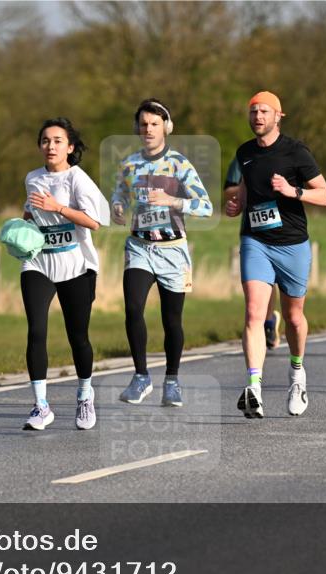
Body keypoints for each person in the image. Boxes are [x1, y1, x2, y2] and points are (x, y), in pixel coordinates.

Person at [225, 91, 326, 418]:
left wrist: (292, 191)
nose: (257, 116)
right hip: (255, 241)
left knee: (294, 318)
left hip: (292, 244)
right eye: (253, 111)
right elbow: (245, 191)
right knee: (254, 313)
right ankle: (254, 386)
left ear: (278, 116)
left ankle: (297, 374)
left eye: (264, 111)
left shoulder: (297, 152)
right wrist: (237, 204)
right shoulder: (244, 153)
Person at [112, 99, 212, 407]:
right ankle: (141, 377)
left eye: (154, 124)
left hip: (173, 252)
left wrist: (173, 201)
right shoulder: (129, 164)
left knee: (172, 321)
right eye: (143, 124)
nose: (148, 129)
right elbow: (120, 191)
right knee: (132, 308)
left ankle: (172, 380)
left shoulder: (180, 165)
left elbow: (206, 207)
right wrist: (117, 205)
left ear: (166, 127)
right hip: (140, 247)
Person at [20, 118, 110, 430]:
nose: (50, 146)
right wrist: (20, 231)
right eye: (45, 140)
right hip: (38, 263)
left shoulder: (78, 179)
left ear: (69, 148)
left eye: (58, 141)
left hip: (76, 265)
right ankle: (41, 406)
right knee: (36, 330)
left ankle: (85, 395)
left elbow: (94, 222)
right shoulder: (32, 178)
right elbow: (29, 214)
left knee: (78, 336)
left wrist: (57, 207)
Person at [225, 157, 281, 349]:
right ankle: (263, 323)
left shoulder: (286, 154)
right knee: (259, 280)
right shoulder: (243, 157)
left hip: (284, 229)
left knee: (273, 282)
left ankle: (270, 318)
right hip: (253, 229)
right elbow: (228, 191)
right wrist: (253, 183)